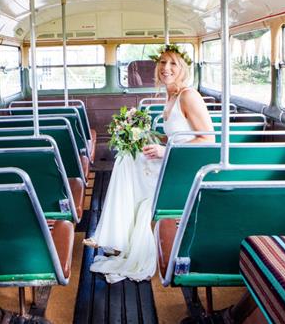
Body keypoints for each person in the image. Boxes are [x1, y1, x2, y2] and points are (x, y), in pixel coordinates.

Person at [83, 44, 215, 283]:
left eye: (173, 63)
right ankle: (114, 236)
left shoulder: (188, 95)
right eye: (163, 63)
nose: (166, 68)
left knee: (126, 163)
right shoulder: (171, 95)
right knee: (126, 156)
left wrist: (165, 151)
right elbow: (177, 136)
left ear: (183, 68)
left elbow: (208, 139)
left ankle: (113, 236)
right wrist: (147, 135)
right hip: (173, 161)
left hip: (184, 171)